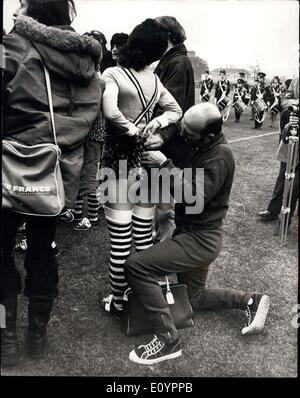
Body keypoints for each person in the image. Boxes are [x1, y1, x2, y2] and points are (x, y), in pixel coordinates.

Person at [124, 103, 270, 365]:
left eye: (189, 134)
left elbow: (195, 196)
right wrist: (161, 138)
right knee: (195, 297)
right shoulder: (205, 145)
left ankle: (168, 341)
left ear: (209, 136)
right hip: (197, 235)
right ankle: (252, 300)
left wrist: (165, 164)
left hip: (200, 239)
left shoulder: (220, 156)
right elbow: (182, 154)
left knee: (136, 267)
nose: (184, 137)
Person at [1, 0, 102, 366]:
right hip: (58, 174)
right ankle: (37, 339)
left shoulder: (12, 47)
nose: (17, 7)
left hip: (11, 171)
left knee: (2, 252)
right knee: (44, 250)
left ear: (36, 9)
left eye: (24, 2)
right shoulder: (89, 62)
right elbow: (89, 122)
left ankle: (6, 338)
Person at [100, 19, 182, 315]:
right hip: (146, 163)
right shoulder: (156, 80)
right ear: (158, 53)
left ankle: (119, 300)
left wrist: (131, 130)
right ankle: (146, 297)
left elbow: (109, 111)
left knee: (120, 239)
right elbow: (176, 111)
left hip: (117, 163)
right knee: (143, 237)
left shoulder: (113, 72)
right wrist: (154, 125)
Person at [152, 16, 195, 242]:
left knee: (166, 205)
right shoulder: (170, 61)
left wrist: (158, 135)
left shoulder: (177, 63)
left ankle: (164, 254)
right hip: (170, 142)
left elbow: (173, 109)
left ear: (168, 35)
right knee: (162, 202)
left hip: (173, 144)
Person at [258, 78, 299, 234]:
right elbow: (285, 101)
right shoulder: (296, 81)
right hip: (291, 138)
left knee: (295, 187)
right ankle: (273, 211)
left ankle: (286, 221)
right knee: (282, 178)